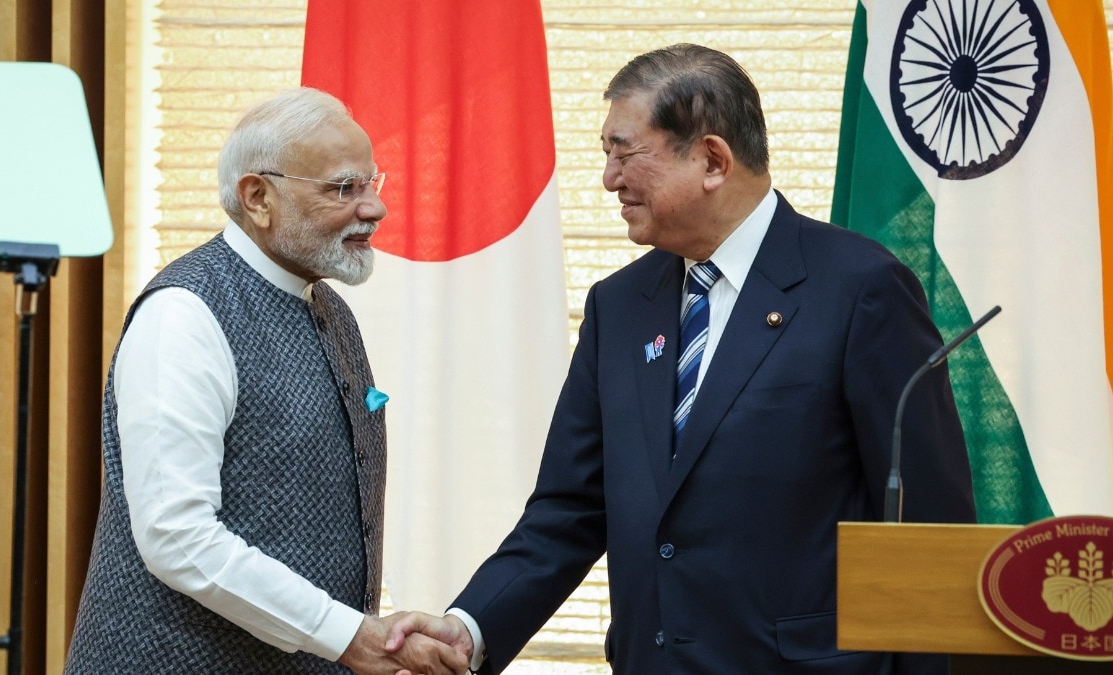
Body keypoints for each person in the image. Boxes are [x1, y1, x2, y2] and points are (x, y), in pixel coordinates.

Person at [387, 44, 976, 673]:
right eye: (606, 154)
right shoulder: (619, 305)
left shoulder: (861, 288)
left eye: (625, 153)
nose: (609, 179)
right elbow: (569, 508)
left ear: (712, 160)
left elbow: (928, 528)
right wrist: (469, 628)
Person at [64, 87, 467, 674]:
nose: (375, 209)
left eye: (371, 183)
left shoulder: (329, 309)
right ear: (258, 198)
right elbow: (176, 537)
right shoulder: (184, 315)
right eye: (343, 188)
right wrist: (350, 636)